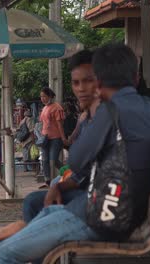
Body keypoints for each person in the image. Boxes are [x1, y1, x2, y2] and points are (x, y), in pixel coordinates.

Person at [0, 44, 150, 264]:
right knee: (48, 211)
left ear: (98, 82)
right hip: (125, 213)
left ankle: (20, 231)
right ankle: (21, 229)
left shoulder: (109, 111)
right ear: (136, 78)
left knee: (2, 253)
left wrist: (93, 114)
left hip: (100, 216)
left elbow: (77, 161)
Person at [23, 49, 100, 222]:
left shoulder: (104, 117)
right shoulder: (87, 117)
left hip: (97, 202)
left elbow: (79, 161)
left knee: (53, 161)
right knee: (46, 169)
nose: (81, 89)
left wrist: (66, 138)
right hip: (48, 139)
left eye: (88, 81)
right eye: (76, 83)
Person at [39, 87, 66, 188]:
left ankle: (68, 173)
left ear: (50, 96)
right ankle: (47, 181)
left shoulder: (57, 107)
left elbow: (60, 124)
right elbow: (43, 123)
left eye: (44, 96)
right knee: (44, 160)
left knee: (53, 160)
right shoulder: (44, 108)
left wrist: (63, 138)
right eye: (41, 96)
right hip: (45, 138)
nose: (42, 98)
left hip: (56, 138)